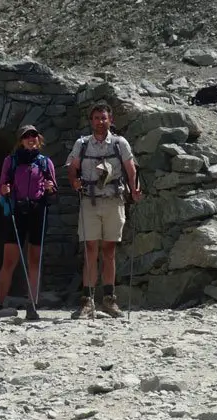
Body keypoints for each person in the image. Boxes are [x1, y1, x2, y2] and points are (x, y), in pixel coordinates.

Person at [66, 102, 142, 319]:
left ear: (111, 120)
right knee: (90, 250)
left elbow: (131, 169)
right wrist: (74, 182)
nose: (100, 121)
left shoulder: (120, 143)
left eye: (104, 118)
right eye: (97, 118)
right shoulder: (82, 144)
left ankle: (109, 300)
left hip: (113, 200)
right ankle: (87, 301)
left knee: (109, 250)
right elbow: (72, 168)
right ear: (91, 121)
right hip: (89, 201)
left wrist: (135, 189)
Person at [0, 125, 56, 320]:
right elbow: (1, 186)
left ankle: (32, 306)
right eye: (27, 136)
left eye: (34, 135)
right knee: (9, 261)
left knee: (34, 261)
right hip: (16, 213)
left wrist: (51, 188)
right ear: (20, 140)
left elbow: (53, 192)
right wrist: (5, 190)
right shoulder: (11, 162)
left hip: (37, 212)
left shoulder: (45, 163)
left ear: (38, 139)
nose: (31, 139)